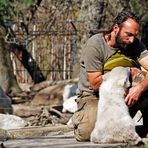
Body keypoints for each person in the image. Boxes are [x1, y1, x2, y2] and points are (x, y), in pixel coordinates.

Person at [71, 10, 148, 141]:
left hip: (126, 93)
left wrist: (139, 88)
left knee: (143, 83)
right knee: (89, 133)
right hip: (95, 96)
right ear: (116, 28)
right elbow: (95, 85)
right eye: (128, 35)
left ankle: (140, 128)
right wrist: (126, 70)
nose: (132, 40)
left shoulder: (135, 44)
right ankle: (80, 118)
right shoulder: (95, 45)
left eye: (135, 35)